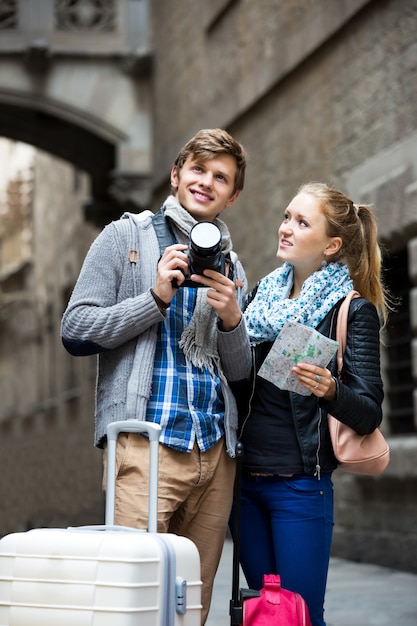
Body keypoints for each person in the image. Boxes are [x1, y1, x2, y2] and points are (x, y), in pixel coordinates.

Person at [61, 128, 248, 625]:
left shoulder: (232, 266)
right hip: (146, 447)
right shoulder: (127, 237)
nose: (207, 182)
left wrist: (232, 320)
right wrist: (155, 298)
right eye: (198, 170)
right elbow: (75, 329)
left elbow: (239, 371)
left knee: (193, 606)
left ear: (232, 195)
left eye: (221, 177)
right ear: (176, 174)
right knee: (138, 601)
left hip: (214, 453)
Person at [191, 182, 390, 626]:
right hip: (245, 483)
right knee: (264, 614)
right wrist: (231, 324)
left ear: (332, 245)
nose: (286, 228)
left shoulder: (350, 309)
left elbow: (370, 410)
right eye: (286, 217)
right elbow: (240, 382)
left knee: (300, 616)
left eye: (302, 222)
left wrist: (330, 389)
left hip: (299, 485)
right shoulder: (262, 295)